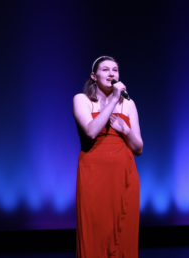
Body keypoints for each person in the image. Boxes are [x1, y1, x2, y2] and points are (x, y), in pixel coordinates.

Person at [73, 56, 143, 258]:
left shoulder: (128, 104)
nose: (111, 73)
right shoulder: (81, 100)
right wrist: (113, 100)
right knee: (95, 230)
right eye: (105, 70)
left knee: (123, 232)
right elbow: (91, 132)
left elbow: (138, 148)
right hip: (93, 174)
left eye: (115, 70)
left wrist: (126, 131)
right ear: (94, 76)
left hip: (124, 174)